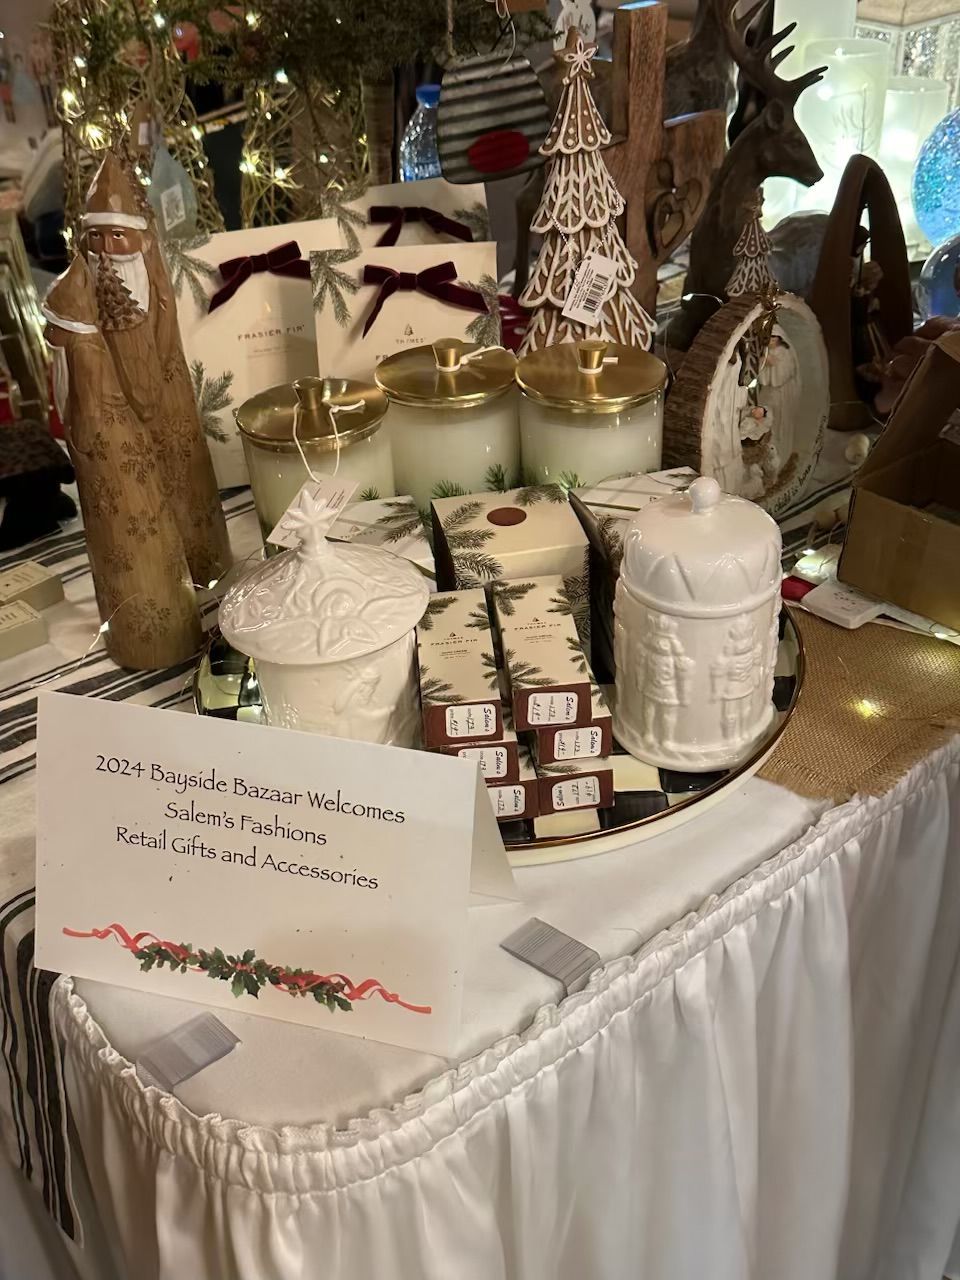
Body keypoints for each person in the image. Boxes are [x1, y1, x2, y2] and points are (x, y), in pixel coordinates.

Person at [42, 256, 202, 669]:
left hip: (111, 456)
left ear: (71, 325)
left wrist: (78, 444)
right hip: (121, 453)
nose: (47, 333)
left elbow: (91, 417)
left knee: (127, 532)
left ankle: (153, 636)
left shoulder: (85, 353)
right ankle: (145, 631)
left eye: (53, 325)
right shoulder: (82, 347)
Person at [82, 151, 230, 584]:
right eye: (98, 238)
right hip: (125, 410)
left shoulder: (154, 282)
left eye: (117, 236)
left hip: (168, 400)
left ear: (141, 239)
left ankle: (205, 561)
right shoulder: (93, 288)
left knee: (186, 478)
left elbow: (166, 333)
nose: (107, 249)